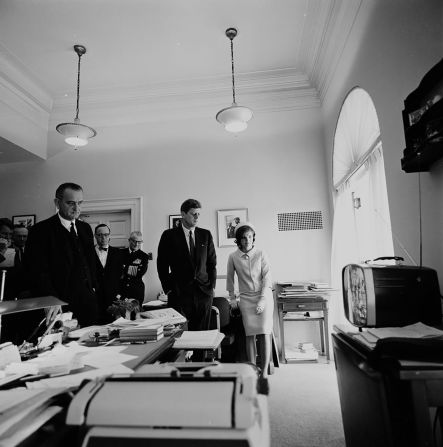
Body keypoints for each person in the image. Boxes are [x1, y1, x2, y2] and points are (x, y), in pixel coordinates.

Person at [24, 182, 99, 328]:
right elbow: (37, 272)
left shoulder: (85, 228)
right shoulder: (40, 231)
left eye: (80, 203)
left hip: (88, 302)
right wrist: (51, 300)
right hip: (59, 305)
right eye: (70, 203)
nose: (76, 208)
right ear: (57, 203)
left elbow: (91, 262)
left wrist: (94, 287)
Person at [157, 198, 217, 335]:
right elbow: (162, 265)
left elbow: (212, 263)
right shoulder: (169, 235)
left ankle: (199, 358)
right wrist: (168, 290)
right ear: (183, 214)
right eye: (193, 214)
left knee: (202, 336)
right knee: (180, 336)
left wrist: (211, 287)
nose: (197, 217)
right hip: (179, 293)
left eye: (198, 214)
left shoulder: (205, 235)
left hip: (203, 293)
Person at [226, 223, 273, 378]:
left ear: (254, 238)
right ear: (238, 240)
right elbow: (230, 280)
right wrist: (233, 299)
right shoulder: (233, 257)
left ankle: (264, 372)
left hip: (263, 296)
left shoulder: (261, 253)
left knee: (264, 333)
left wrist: (263, 299)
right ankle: (253, 371)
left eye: (250, 237)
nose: (247, 240)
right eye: (244, 238)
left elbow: (267, 278)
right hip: (246, 299)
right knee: (250, 335)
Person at [94, 224, 125, 323]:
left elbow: (121, 276)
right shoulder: (88, 252)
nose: (103, 238)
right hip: (94, 298)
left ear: (109, 236)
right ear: (95, 236)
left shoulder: (118, 253)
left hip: (113, 298)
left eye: (106, 235)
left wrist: (121, 296)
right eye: (100, 235)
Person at [120, 231, 149, 306]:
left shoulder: (144, 256)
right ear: (129, 240)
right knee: (120, 314)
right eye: (134, 241)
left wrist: (124, 268)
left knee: (135, 315)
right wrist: (132, 268)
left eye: (139, 242)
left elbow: (140, 273)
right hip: (121, 289)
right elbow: (116, 271)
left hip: (136, 290)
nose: (136, 244)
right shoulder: (120, 253)